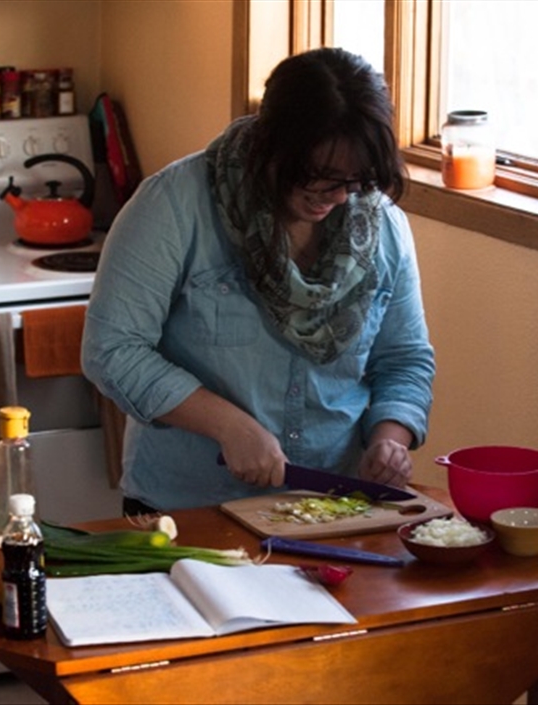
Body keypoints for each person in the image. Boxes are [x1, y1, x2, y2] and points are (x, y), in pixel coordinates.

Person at [82, 47, 436, 513]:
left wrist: (389, 438)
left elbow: (405, 359)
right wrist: (228, 425)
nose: (335, 197)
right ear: (272, 146)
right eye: (317, 178)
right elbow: (112, 350)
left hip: (334, 506)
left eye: (353, 182)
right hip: (190, 509)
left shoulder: (379, 224)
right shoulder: (174, 205)